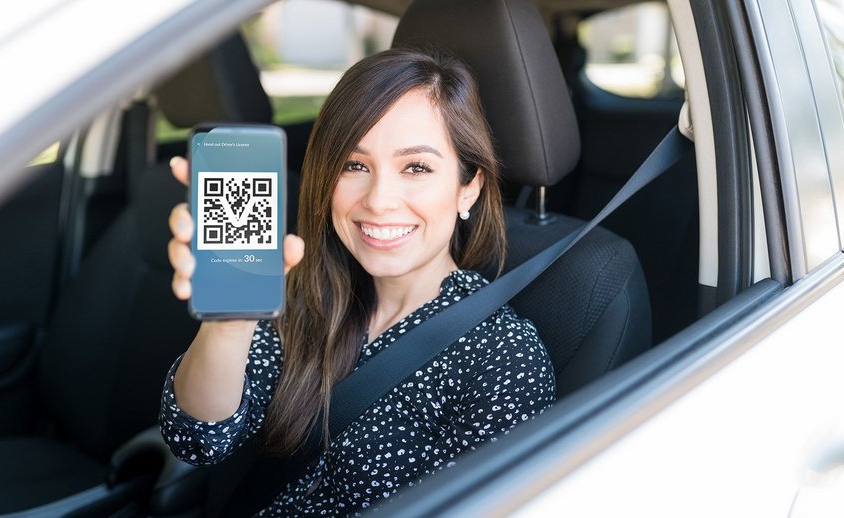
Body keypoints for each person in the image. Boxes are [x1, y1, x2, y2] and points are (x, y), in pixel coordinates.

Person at [160, 48, 555, 516]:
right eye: (354, 165)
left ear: (468, 187)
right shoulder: (304, 294)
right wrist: (229, 325)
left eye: (416, 167)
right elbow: (197, 439)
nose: (379, 200)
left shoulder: (503, 356)